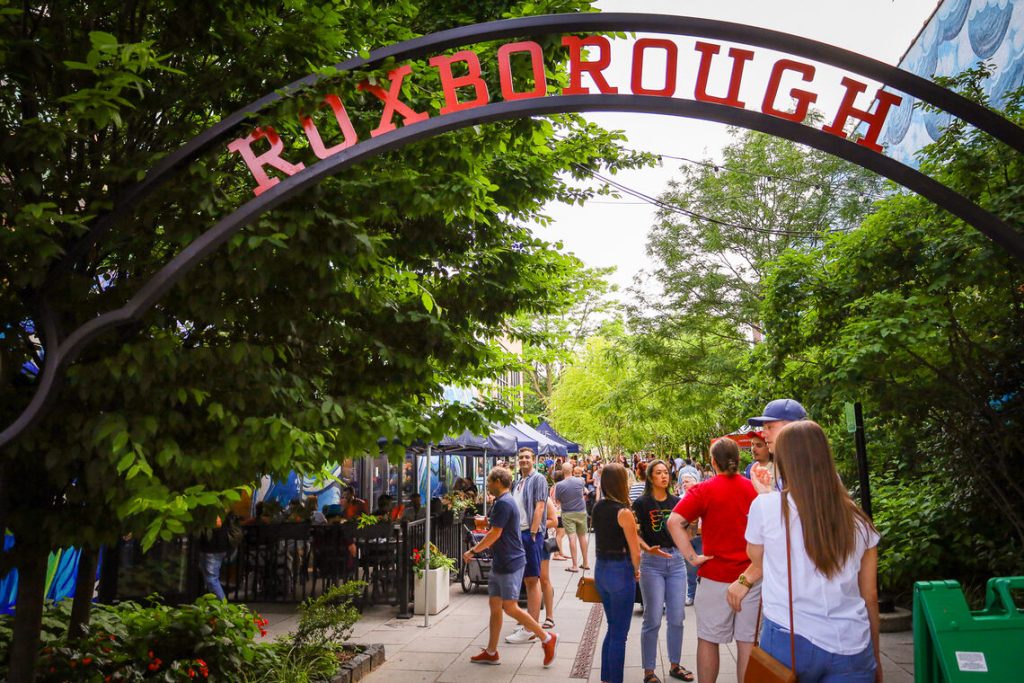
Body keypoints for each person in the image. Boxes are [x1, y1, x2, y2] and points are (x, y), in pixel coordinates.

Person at [730, 420, 881, 683]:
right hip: (853, 644)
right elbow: (870, 595)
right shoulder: (858, 521)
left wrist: (765, 493)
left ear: (785, 461)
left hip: (788, 640)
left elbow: (757, 559)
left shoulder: (765, 507)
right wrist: (876, 659)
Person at [667, 439, 759, 683]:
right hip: (751, 577)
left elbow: (673, 521)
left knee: (708, 639)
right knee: (747, 643)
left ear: (712, 462)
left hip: (714, 576)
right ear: (738, 460)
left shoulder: (704, 490)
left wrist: (692, 558)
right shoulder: (754, 489)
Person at [464, 467, 558, 667]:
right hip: (502, 561)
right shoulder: (503, 502)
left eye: (489, 482)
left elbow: (495, 534)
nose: (487, 485)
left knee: (509, 607)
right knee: (495, 607)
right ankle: (491, 652)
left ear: (498, 482)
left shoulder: (504, 503)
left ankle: (546, 638)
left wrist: (473, 551)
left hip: (510, 562)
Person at [632, 460, 693, 683]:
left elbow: (687, 532)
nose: (663, 476)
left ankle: (675, 665)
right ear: (650, 477)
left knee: (677, 617)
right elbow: (633, 533)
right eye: (658, 473)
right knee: (653, 618)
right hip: (652, 563)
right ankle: (649, 670)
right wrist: (647, 548)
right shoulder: (641, 503)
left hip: (676, 561)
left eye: (666, 472)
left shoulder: (678, 502)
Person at [592, 463, 642, 683]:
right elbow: (635, 550)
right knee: (620, 634)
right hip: (620, 571)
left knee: (613, 628)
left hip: (601, 569)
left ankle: (606, 677)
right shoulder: (624, 512)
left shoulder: (598, 507)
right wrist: (636, 570)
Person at [505, 447, 551, 644]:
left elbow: (540, 505)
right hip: (519, 534)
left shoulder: (538, 479)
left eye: (527, 457)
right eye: (521, 457)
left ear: (534, 460)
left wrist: (533, 532)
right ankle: (529, 623)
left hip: (530, 534)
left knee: (532, 580)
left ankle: (531, 629)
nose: (523, 460)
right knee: (527, 580)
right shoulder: (519, 482)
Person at [555, 462, 590, 572]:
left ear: (562, 471)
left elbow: (557, 501)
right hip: (581, 512)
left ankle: (574, 565)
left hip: (568, 513)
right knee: (582, 537)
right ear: (572, 469)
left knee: (571, 538)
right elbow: (583, 493)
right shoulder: (580, 481)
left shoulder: (559, 485)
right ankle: (585, 562)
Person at [679, 472, 701, 606]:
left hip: (701, 537)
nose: (684, 484)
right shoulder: (680, 499)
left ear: (695, 481)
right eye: (683, 482)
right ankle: (691, 594)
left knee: (704, 569)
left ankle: (702, 595)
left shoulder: (702, 496)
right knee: (690, 569)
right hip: (687, 539)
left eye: (687, 481)